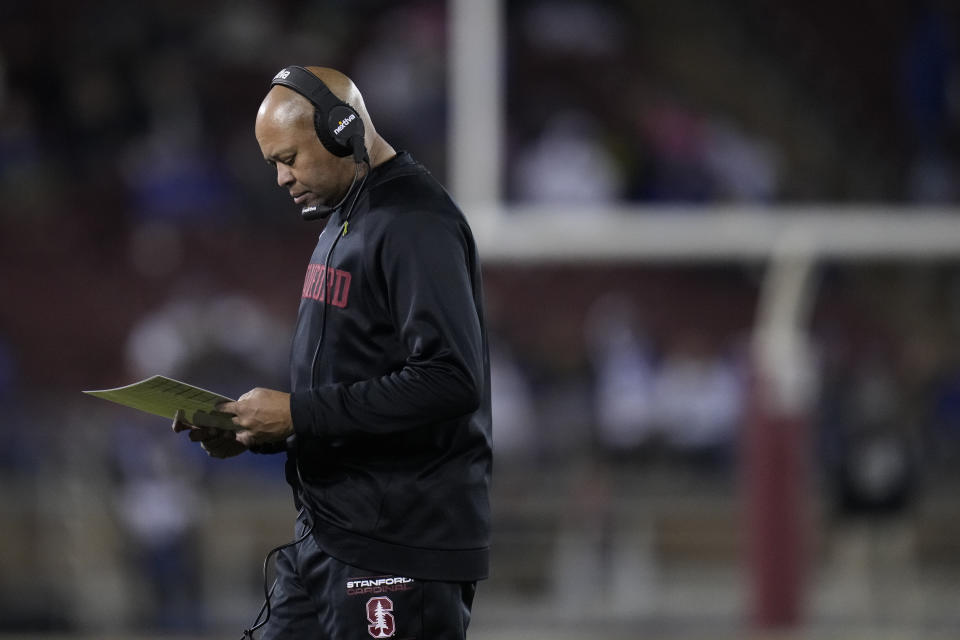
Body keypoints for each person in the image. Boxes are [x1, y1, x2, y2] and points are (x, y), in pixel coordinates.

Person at [173, 65, 492, 640]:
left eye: (288, 159)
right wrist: (270, 432)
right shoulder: (347, 218)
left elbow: (450, 378)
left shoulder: (415, 223)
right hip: (330, 536)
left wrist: (298, 413)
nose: (279, 179)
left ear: (343, 131)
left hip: (398, 548)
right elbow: (360, 380)